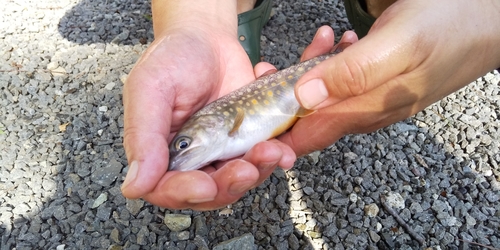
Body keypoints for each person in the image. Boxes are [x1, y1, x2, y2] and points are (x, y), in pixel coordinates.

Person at [121, 0, 500, 210]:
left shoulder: (224, 126)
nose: (181, 152)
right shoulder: (219, 124)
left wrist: (479, 17)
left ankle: (389, 24)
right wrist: (194, 20)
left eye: (184, 144)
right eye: (183, 145)